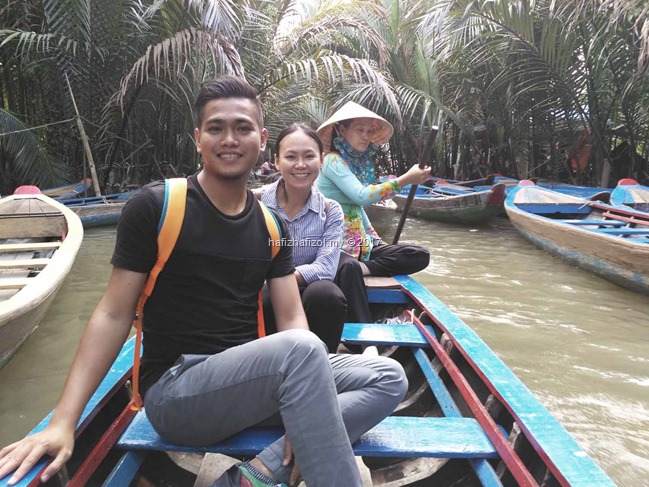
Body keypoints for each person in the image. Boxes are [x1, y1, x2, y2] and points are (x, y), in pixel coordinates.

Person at [0, 77, 407, 487]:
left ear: (261, 139)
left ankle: (262, 471)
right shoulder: (157, 206)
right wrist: (64, 422)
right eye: (216, 128)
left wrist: (309, 406)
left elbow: (291, 316)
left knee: (389, 377)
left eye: (243, 128)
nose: (229, 138)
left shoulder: (271, 225)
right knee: (302, 352)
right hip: (177, 394)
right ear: (198, 138)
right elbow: (111, 314)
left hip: (249, 385)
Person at [315, 101, 431, 324]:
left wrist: (375, 241)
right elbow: (361, 196)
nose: (366, 136)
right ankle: (363, 333)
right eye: (360, 130)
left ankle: (365, 268)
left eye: (369, 131)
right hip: (335, 245)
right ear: (342, 130)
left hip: (361, 246)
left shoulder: (357, 164)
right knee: (348, 267)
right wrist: (406, 179)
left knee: (418, 254)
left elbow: (356, 209)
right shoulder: (332, 161)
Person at [259, 123, 347, 352]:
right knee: (267, 296)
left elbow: (326, 267)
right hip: (262, 290)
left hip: (307, 289)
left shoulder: (331, 210)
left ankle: (321, 363)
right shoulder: (254, 204)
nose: (300, 165)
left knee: (327, 294)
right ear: (277, 161)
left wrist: (281, 279)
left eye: (309, 156)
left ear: (321, 160)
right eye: (291, 157)